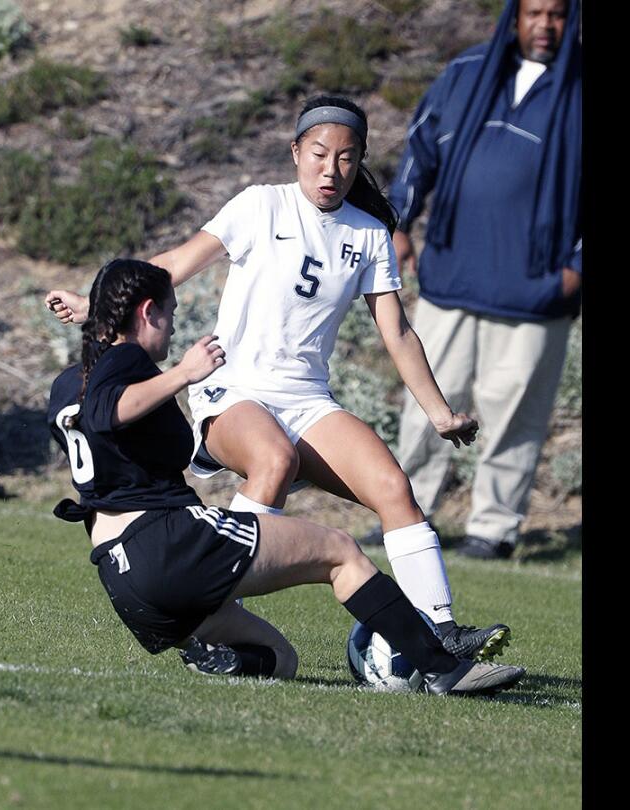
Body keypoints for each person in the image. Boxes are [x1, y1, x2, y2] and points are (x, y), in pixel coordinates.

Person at [47, 95, 510, 661]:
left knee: (394, 488)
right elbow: (168, 267)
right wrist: (98, 310)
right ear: (295, 152)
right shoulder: (259, 206)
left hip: (307, 401)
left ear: (359, 160)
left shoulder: (368, 236)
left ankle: (439, 631)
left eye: (346, 158)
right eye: (318, 153)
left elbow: (398, 334)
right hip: (233, 391)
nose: (331, 169)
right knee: (273, 459)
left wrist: (439, 413)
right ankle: (209, 612)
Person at [46, 258, 524, 695]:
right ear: (148, 312)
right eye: (168, 315)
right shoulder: (127, 364)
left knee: (281, 660)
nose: (172, 332)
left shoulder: (68, 383)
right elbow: (108, 410)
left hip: (124, 579)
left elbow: (100, 415)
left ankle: (225, 661)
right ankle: (443, 667)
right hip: (167, 545)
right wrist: (184, 374)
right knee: (340, 551)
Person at [376, 0, 582, 559]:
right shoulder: (467, 73)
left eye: (558, 14)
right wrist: (399, 222)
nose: (545, 25)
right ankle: (405, 510)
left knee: (515, 415)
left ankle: (493, 531)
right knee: (426, 403)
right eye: (535, 12)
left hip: (536, 291)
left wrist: (573, 272)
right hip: (452, 274)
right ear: (514, 16)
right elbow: (419, 154)